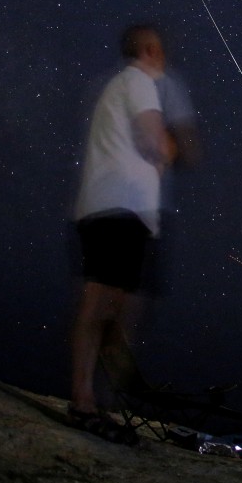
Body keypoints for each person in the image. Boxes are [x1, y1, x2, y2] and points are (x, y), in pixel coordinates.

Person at [66, 23, 195, 443]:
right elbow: (154, 141)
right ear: (149, 50)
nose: (165, 59)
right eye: (161, 50)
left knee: (113, 305)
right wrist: (173, 146)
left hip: (119, 208)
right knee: (100, 301)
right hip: (119, 207)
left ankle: (99, 400)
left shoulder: (122, 85)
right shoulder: (138, 82)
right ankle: (85, 402)